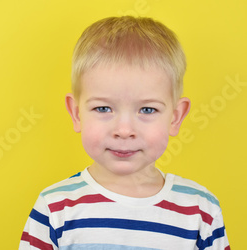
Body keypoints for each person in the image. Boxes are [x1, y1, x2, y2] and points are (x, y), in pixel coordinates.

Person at [19, 16, 230, 250]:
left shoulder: (201, 211)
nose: (124, 130)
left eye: (147, 109)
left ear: (175, 117)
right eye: (103, 108)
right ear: (77, 114)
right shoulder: (54, 208)